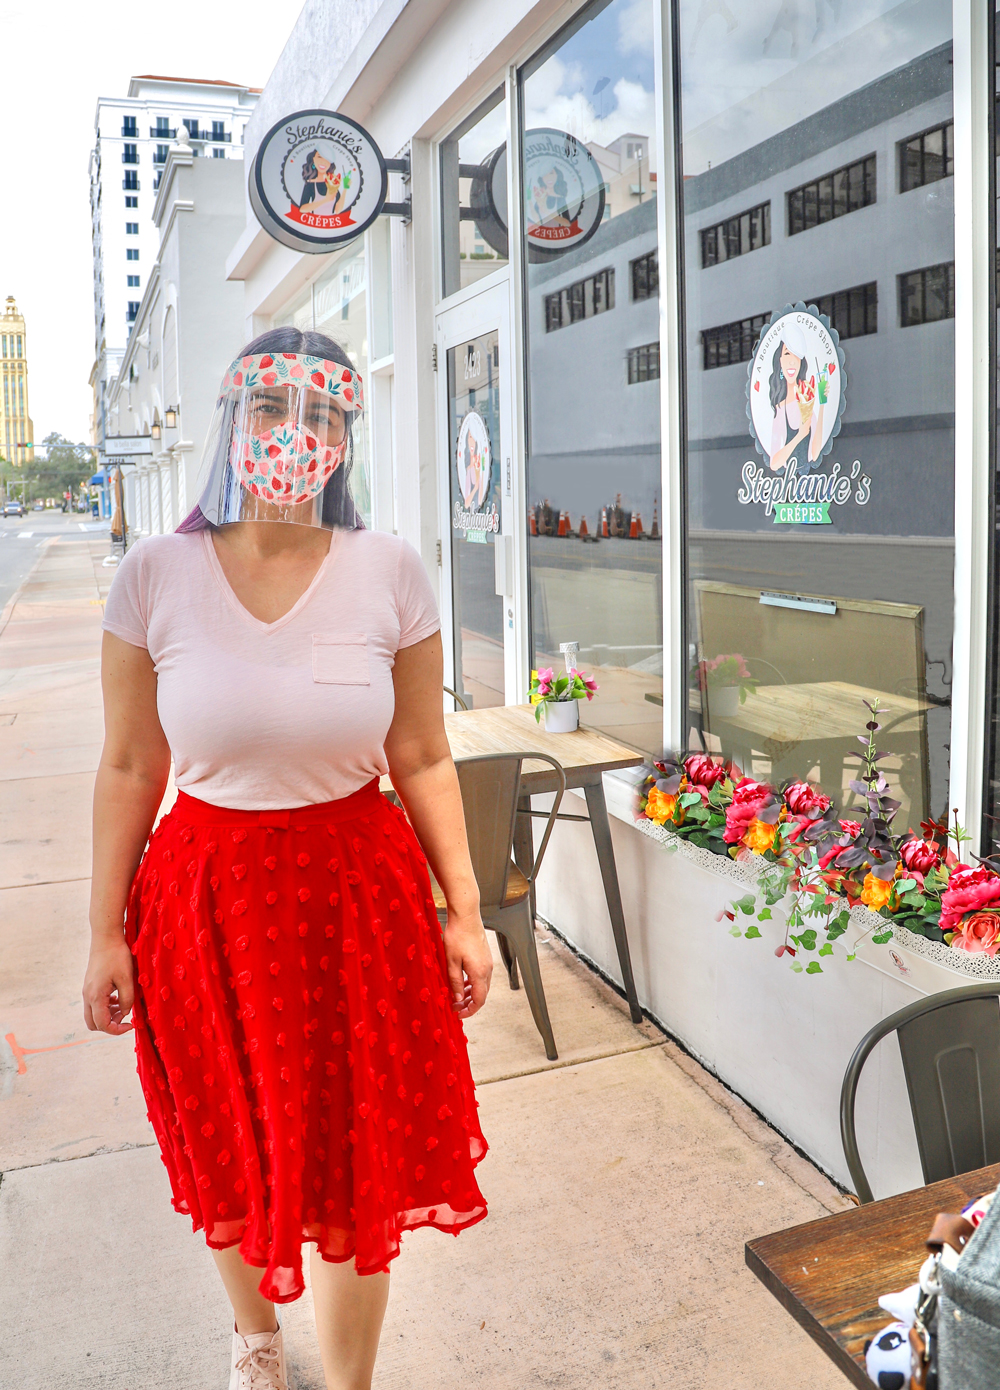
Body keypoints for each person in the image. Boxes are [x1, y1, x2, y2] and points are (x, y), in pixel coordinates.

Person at [83, 327, 493, 1390]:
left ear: (347, 435)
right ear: (232, 419)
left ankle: (349, 1381)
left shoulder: (389, 570)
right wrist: (101, 932)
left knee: (363, 1143)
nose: (294, 434)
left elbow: (423, 754)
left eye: (322, 415)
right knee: (228, 1131)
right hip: (204, 901)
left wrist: (464, 907)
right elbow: (131, 764)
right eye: (271, 409)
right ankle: (257, 1337)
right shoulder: (155, 575)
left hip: (358, 895)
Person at [766, 320, 826, 472]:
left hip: (808, 483)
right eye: (787, 353)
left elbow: (814, 453)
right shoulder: (780, 408)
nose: (792, 361)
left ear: (801, 362)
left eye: (796, 355)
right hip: (788, 486)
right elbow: (774, 463)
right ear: (780, 360)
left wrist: (823, 403)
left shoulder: (806, 399)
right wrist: (800, 435)